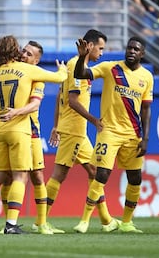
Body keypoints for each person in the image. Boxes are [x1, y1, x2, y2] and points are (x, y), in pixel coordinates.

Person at [0, 35, 67, 234]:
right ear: (16, 51)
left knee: (0, 175)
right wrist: (63, 69)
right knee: (21, 176)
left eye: (28, 52)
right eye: (22, 50)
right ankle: (10, 225)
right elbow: (60, 79)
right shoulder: (30, 70)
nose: (23, 53)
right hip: (20, 129)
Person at [73, 36, 153, 233]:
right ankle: (84, 221)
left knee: (135, 178)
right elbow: (82, 74)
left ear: (142, 54)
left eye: (136, 49)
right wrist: (82, 57)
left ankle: (126, 223)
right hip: (109, 131)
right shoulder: (111, 68)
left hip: (133, 134)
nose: (131, 51)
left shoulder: (147, 77)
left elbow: (145, 109)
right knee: (101, 174)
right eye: (129, 48)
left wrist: (145, 138)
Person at [45, 29, 119, 234]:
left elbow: (59, 97)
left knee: (94, 171)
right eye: (100, 48)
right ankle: (41, 221)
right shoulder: (75, 65)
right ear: (90, 45)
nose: (102, 53)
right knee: (59, 175)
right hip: (75, 130)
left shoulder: (77, 65)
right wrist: (94, 120)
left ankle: (106, 220)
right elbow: (72, 101)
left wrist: (55, 125)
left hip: (75, 129)